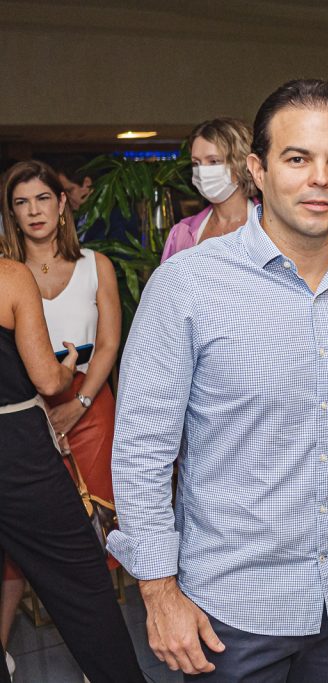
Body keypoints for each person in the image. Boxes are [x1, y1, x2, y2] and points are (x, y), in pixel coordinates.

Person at [109, 79, 328, 681]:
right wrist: (158, 591)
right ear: (258, 170)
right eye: (297, 159)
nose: (320, 179)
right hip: (231, 612)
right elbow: (141, 449)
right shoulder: (186, 284)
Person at [0, 257, 144, 683]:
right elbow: (47, 380)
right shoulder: (10, 276)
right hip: (16, 449)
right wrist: (66, 371)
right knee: (79, 580)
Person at [0, 160, 123, 654]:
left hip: (90, 404)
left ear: (62, 202)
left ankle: (102, 650)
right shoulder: (8, 273)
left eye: (42, 198)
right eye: (21, 202)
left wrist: (83, 401)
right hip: (27, 414)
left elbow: (109, 342)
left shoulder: (96, 264)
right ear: (11, 213)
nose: (34, 211)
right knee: (19, 545)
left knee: (97, 530)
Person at [160, 117, 260, 262]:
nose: (202, 171)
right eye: (196, 163)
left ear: (240, 163)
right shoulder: (182, 233)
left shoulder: (270, 226)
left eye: (213, 161)